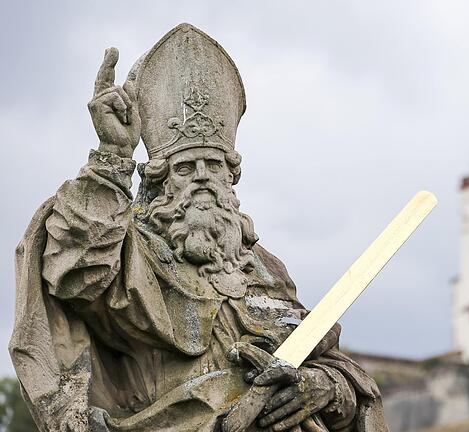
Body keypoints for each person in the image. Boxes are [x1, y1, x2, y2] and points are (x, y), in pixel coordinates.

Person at [10, 24, 388, 432]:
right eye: (187, 168)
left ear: (231, 179)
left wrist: (321, 387)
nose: (203, 178)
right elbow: (75, 274)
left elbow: (335, 368)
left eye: (216, 167)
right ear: (158, 182)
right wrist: (113, 156)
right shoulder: (133, 251)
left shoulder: (263, 269)